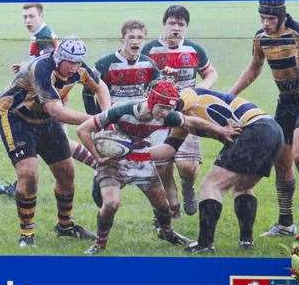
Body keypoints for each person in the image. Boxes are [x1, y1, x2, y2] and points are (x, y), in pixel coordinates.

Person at [230, 1, 299, 242]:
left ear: (282, 17)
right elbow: (254, 69)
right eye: (262, 18)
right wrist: (229, 96)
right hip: (286, 102)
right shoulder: (261, 38)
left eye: (270, 19)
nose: (265, 24)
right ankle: (286, 223)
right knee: (281, 161)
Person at [77, 81, 218, 255]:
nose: (165, 113)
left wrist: (222, 131)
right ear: (151, 101)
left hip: (141, 158)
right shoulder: (121, 110)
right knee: (112, 204)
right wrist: (98, 158)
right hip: (112, 162)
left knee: (163, 206)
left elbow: (194, 122)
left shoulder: (167, 116)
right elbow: (83, 130)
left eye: (169, 108)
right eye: (162, 107)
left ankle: (166, 233)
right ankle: (100, 244)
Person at [0, 37, 110, 247]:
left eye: (78, 63)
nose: (74, 68)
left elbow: (100, 87)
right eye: (70, 63)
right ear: (58, 58)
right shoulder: (42, 68)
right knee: (28, 174)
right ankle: (26, 233)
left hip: (45, 119)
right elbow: (57, 111)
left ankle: (65, 225)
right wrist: (97, 120)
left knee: (67, 172)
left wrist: (107, 113)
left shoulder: (79, 68)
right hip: (15, 117)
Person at [158, 88, 284, 253]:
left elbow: (176, 105)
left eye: (162, 106)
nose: (161, 112)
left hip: (255, 128)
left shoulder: (187, 93)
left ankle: (205, 244)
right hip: (272, 130)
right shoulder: (183, 122)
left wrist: (155, 113)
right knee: (244, 187)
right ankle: (246, 242)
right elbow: (168, 149)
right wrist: (136, 153)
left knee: (211, 186)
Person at [142, 5, 217, 217]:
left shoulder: (194, 50)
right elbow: (143, 79)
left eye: (181, 24)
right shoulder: (150, 50)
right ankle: (171, 208)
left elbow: (211, 73)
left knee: (187, 166)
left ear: (186, 28)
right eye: (172, 23)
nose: (176, 28)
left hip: (186, 113)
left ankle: (187, 187)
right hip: (157, 114)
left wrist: (198, 91)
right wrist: (159, 80)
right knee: (162, 165)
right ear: (164, 25)